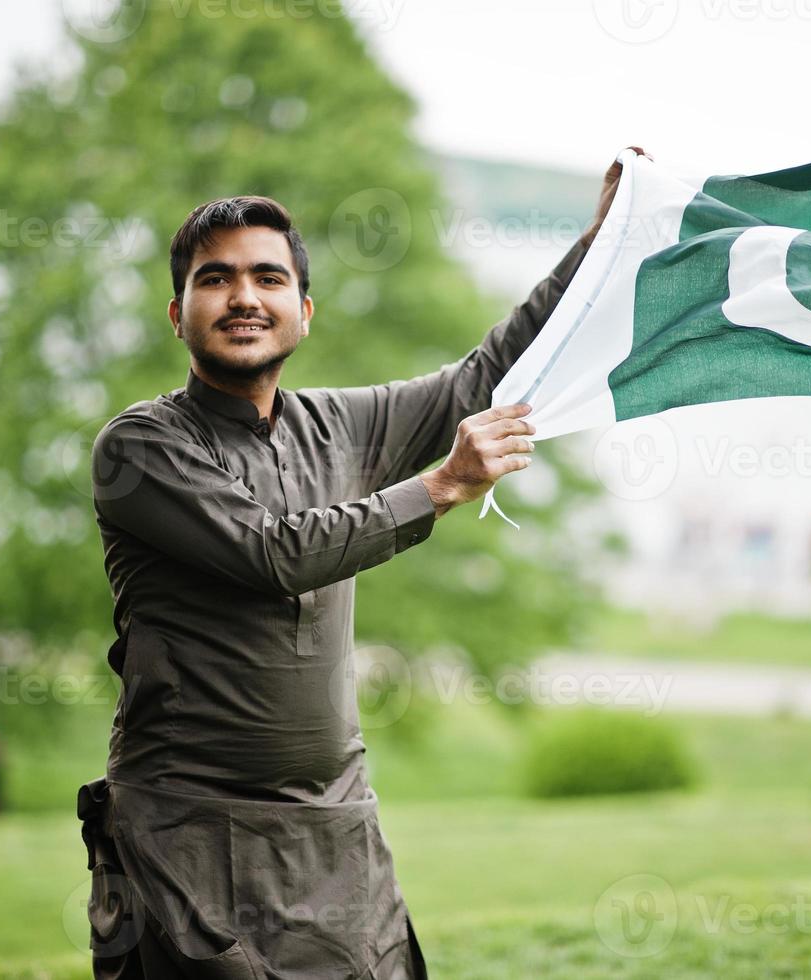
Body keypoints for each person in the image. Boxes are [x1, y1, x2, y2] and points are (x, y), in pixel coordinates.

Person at [78, 147, 648, 979]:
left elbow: (487, 374)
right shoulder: (140, 447)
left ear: (303, 311)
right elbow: (273, 554)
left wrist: (599, 242)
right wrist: (442, 485)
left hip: (337, 838)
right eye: (217, 279)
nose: (243, 297)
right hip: (188, 841)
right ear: (178, 312)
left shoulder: (339, 427)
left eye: (268, 279)